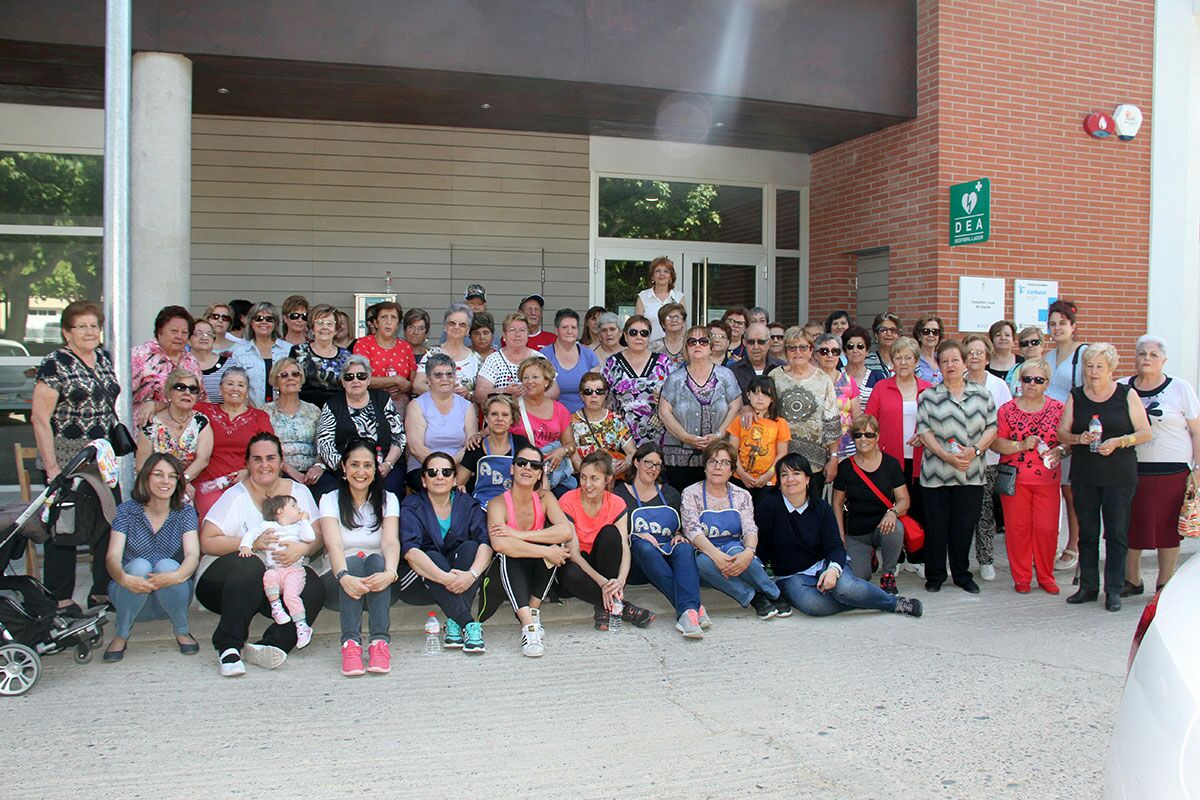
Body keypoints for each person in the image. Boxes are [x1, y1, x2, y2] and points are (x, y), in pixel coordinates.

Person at [197, 433, 324, 677]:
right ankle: (229, 647)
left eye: (270, 458)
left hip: (273, 588)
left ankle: (272, 645)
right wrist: (251, 544)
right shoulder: (236, 496)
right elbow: (207, 540)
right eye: (257, 459)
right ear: (247, 463)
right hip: (224, 587)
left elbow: (318, 535)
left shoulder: (299, 492)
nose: (264, 465)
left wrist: (304, 548)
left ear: (281, 461)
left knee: (313, 586)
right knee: (251, 565)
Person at [32, 301, 122, 610]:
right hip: (68, 460)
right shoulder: (55, 363)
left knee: (109, 523)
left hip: (101, 460)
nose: (89, 331)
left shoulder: (103, 358)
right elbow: (39, 418)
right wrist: (52, 466)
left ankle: (101, 590)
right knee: (64, 528)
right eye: (81, 326)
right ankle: (60, 598)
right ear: (66, 333)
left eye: (94, 326)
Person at [757, 454, 923, 618]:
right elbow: (761, 547)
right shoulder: (769, 507)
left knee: (846, 588)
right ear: (779, 482)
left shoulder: (822, 508)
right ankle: (868, 600)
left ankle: (895, 604)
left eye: (796, 473)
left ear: (808, 479)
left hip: (823, 563)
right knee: (814, 606)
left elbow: (835, 546)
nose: (790, 479)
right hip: (791, 575)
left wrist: (832, 570)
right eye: (784, 475)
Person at [1057, 343, 1151, 611]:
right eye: (1089, 366)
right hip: (1086, 473)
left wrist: (1120, 441)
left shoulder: (1125, 394)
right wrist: (1078, 438)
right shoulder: (1076, 395)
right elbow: (1062, 432)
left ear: (1111, 369)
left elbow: (1145, 432)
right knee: (1087, 532)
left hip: (1119, 474)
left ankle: (1113, 589)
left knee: (1117, 533)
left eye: (1099, 366)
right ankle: (1088, 586)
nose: (1093, 371)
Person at [916, 340, 997, 594]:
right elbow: (924, 430)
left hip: (971, 473)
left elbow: (992, 428)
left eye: (955, 360)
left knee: (963, 528)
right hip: (936, 474)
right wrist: (944, 455)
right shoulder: (928, 395)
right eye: (945, 361)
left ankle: (962, 575)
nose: (950, 365)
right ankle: (936, 575)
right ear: (938, 365)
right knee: (936, 527)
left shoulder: (982, 394)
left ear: (964, 363)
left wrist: (975, 451)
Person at [1121, 335, 1200, 594]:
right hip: (1130, 470)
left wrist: (1197, 469)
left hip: (1172, 471)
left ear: (1164, 360)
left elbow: (1197, 432)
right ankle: (1132, 580)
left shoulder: (1180, 388)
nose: (1147, 359)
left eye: (1153, 355)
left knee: (1168, 530)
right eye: (1142, 353)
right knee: (1131, 526)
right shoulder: (1122, 387)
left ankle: (1165, 583)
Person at [103, 454, 201, 661]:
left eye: (172, 476)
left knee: (167, 565)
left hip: (171, 598)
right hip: (131, 596)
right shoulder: (127, 511)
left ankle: (182, 630)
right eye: (158, 474)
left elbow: (192, 555)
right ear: (145, 478)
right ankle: (121, 634)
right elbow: (112, 556)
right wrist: (125, 579)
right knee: (138, 566)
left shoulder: (185, 512)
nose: (166, 481)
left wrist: (175, 577)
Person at [320, 438, 402, 675]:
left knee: (377, 560)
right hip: (339, 578)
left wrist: (390, 573)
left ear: (375, 470)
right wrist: (344, 575)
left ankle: (379, 643)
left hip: (379, 582)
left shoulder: (388, 499)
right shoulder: (330, 499)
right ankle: (351, 644)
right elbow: (333, 545)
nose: (361, 471)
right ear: (343, 467)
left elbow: (390, 542)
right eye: (354, 464)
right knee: (354, 560)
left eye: (367, 465)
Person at [485, 444, 574, 657]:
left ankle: (534, 609)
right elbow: (500, 544)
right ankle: (528, 626)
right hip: (507, 570)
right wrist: (545, 551)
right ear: (512, 469)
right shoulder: (498, 504)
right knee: (510, 553)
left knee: (557, 546)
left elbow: (565, 531)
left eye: (534, 465)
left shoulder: (545, 498)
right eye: (522, 463)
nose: (527, 468)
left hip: (534, 569)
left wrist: (520, 534)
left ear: (539, 474)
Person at [401, 451, 492, 654]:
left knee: (471, 548)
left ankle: (453, 623)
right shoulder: (412, 505)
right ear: (424, 481)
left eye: (446, 471)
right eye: (432, 472)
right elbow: (410, 552)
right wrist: (445, 579)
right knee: (431, 556)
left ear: (454, 479)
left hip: (461, 583)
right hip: (421, 582)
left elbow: (486, 544)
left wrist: (471, 575)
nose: (439, 476)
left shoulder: (468, 504)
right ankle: (468, 623)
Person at [683, 441, 787, 618]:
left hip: (732, 546)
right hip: (706, 550)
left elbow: (749, 528)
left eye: (724, 463)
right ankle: (753, 597)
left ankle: (773, 593)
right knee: (702, 564)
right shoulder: (691, 493)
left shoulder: (742, 495)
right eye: (713, 461)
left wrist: (749, 552)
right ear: (705, 467)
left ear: (732, 470)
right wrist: (717, 556)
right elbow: (692, 530)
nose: (718, 467)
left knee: (740, 553)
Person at [614, 444, 707, 638]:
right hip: (638, 563)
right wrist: (636, 535)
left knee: (684, 548)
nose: (653, 469)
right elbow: (615, 533)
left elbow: (681, 527)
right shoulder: (620, 494)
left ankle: (687, 614)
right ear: (636, 462)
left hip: (667, 559)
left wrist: (680, 534)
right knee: (643, 545)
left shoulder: (671, 494)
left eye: (658, 465)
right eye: (648, 462)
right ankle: (693, 607)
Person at [991, 358, 1065, 594]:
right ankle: (1022, 577)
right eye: (1027, 379)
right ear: (1019, 381)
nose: (1032, 384)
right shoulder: (1007, 410)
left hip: (1048, 480)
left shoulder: (1058, 409)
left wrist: (1061, 450)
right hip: (1016, 480)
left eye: (1038, 380)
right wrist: (1020, 445)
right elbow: (996, 443)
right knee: (1017, 529)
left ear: (1047, 383)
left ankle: (1046, 575)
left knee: (1046, 529)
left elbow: (1067, 441)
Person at [557, 453, 654, 630]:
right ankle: (621, 606)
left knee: (611, 534)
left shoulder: (617, 503)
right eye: (583, 477)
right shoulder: (567, 500)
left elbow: (624, 545)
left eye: (594, 478)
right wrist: (603, 583)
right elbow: (575, 555)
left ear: (608, 479)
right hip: (578, 565)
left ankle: (605, 608)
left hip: (604, 564)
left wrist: (620, 580)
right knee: (569, 571)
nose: (587, 484)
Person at [864, 336, 931, 549]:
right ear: (892, 361)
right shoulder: (882, 387)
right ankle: (896, 554)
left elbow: (939, 423)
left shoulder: (929, 389)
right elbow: (869, 421)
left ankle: (917, 556)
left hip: (922, 459)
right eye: (898, 357)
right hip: (890, 459)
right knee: (892, 507)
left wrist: (924, 435)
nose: (903, 362)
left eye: (908, 357)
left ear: (916, 361)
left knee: (920, 507)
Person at [831, 414, 910, 593]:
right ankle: (870, 558)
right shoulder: (845, 467)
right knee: (859, 577)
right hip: (856, 532)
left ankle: (888, 574)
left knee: (896, 527)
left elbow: (904, 500)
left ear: (877, 436)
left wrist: (893, 512)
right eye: (858, 435)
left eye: (869, 435)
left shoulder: (891, 464)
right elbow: (837, 503)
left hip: (882, 526)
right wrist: (840, 535)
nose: (863, 439)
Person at [659, 326, 743, 491]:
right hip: (680, 458)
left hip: (718, 456)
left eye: (703, 341)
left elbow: (736, 407)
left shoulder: (726, 375)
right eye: (692, 342)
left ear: (711, 347)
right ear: (686, 347)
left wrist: (719, 434)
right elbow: (664, 412)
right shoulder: (675, 379)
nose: (698, 345)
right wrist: (685, 436)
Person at [314, 355, 407, 497]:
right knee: (331, 491)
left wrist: (388, 464)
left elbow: (399, 436)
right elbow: (324, 444)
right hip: (345, 468)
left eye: (361, 376)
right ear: (343, 382)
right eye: (349, 377)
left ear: (368, 380)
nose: (355, 380)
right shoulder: (332, 405)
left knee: (390, 491)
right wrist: (348, 469)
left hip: (384, 466)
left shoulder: (382, 399)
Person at [192, 367, 275, 520]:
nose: (235, 388)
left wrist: (249, 471)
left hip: (247, 481)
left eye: (241, 385)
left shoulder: (259, 416)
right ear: (220, 388)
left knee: (247, 519)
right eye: (230, 384)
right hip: (209, 483)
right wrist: (152, 405)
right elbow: (175, 406)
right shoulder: (204, 410)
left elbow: (269, 450)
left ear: (247, 391)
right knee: (214, 519)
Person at [964, 334, 1013, 581]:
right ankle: (959, 559)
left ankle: (985, 559)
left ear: (987, 356)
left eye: (979, 352)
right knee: (961, 512)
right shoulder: (953, 380)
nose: (974, 357)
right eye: (970, 352)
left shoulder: (998, 385)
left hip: (989, 458)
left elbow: (1004, 422)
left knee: (984, 512)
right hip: (959, 460)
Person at [238, 494, 317, 647]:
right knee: (269, 575)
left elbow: (309, 537)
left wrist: (305, 521)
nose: (299, 509)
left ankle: (302, 626)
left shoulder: (299, 526)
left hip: (294, 570)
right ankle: (276, 607)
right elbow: (250, 534)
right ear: (280, 511)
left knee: (290, 596)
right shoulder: (267, 526)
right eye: (293, 506)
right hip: (275, 568)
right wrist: (246, 546)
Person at [770, 327, 840, 498]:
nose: (798, 352)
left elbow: (831, 420)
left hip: (814, 461)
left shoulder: (823, 379)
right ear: (786, 352)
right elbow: (765, 412)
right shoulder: (774, 377)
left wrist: (834, 458)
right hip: (781, 457)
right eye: (792, 348)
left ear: (811, 351)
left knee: (812, 511)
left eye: (803, 347)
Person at [1045, 299, 1087, 573]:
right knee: (1055, 490)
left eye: (1062, 323)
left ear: (1073, 326)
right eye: (1053, 324)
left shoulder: (1082, 354)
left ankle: (1075, 545)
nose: (1057, 328)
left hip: (1070, 432)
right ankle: (1053, 545)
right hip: (1047, 432)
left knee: (1072, 492)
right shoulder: (1047, 357)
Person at [135, 367, 213, 495]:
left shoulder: (201, 421)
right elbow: (141, 466)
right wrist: (166, 484)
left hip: (185, 484)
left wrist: (181, 481)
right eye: (180, 387)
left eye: (193, 389)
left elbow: (202, 460)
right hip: (152, 485)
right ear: (169, 392)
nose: (187, 392)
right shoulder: (152, 423)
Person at [405, 353, 477, 490]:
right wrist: (440, 468)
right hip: (424, 467)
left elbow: (470, 446)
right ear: (428, 379)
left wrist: (450, 467)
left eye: (449, 374)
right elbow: (416, 448)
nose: (445, 379)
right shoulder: (417, 405)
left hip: (459, 467)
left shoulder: (467, 406)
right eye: (438, 375)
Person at [603, 315, 675, 446]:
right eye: (633, 332)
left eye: (644, 333)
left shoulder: (663, 362)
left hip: (659, 436)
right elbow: (604, 399)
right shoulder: (612, 363)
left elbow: (676, 396)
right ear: (625, 335)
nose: (638, 337)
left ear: (649, 337)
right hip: (622, 436)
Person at [131, 305, 206, 424]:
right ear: (160, 332)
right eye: (174, 331)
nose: (179, 337)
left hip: (182, 432)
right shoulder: (140, 355)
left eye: (184, 333)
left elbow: (200, 398)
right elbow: (121, 396)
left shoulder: (191, 362)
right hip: (144, 430)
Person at [510, 356, 576, 491]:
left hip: (553, 474)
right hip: (522, 473)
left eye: (535, 377)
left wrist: (561, 451)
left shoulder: (560, 409)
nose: (529, 382)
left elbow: (570, 445)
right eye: (525, 377)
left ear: (547, 381)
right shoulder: (513, 407)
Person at [458, 395, 532, 508]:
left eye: (505, 415)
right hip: (481, 506)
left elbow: (538, 475)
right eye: (494, 414)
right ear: (486, 418)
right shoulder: (476, 446)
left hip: (514, 505)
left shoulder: (521, 443)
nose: (499, 419)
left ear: (512, 419)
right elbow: (459, 482)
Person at [727, 376, 790, 501]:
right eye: (756, 393)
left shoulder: (780, 423)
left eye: (765, 394)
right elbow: (732, 450)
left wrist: (769, 474)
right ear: (748, 395)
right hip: (740, 479)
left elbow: (782, 453)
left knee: (764, 515)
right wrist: (742, 474)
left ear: (772, 399)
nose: (760, 398)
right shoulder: (739, 420)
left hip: (769, 481)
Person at [352, 300, 416, 417]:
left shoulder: (405, 347)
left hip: (399, 406)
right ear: (376, 323)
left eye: (393, 318)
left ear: (398, 324)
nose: (388, 322)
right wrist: (395, 380)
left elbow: (412, 383)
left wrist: (404, 387)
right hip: (369, 404)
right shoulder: (363, 344)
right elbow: (359, 378)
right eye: (384, 317)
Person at [264, 358, 322, 487]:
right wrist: (292, 472)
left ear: (301, 380)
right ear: (276, 382)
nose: (290, 378)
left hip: (311, 472)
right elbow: (265, 449)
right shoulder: (265, 412)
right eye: (284, 375)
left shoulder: (314, 410)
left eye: (295, 374)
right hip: (278, 471)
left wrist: (318, 467)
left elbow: (321, 446)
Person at [570, 371, 635, 475]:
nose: (594, 395)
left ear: (605, 394)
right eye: (588, 392)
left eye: (599, 391)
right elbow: (574, 461)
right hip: (584, 478)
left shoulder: (615, 421)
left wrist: (626, 463)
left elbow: (632, 452)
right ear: (582, 396)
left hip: (613, 477)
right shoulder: (570, 423)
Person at [229, 301, 291, 406]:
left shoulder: (289, 350)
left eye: (269, 319)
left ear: (275, 323)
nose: (264, 322)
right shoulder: (240, 353)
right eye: (259, 319)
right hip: (251, 411)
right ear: (251, 323)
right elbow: (236, 385)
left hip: (283, 412)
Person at [413, 303, 482, 397]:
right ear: (445, 327)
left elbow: (482, 393)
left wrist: (469, 394)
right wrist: (443, 392)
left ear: (467, 330)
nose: (457, 327)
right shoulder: (432, 353)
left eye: (462, 324)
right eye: (452, 323)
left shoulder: (476, 359)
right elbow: (417, 385)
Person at [290, 303, 350, 408]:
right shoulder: (298, 351)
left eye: (329, 323)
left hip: (336, 410)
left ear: (336, 330)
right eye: (320, 323)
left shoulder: (346, 355)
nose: (325, 327)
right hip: (304, 410)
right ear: (312, 328)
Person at [475, 312, 545, 403]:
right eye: (512, 330)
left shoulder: (538, 358)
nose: (517, 334)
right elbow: (479, 394)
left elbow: (554, 390)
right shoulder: (493, 359)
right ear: (504, 335)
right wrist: (504, 392)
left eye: (522, 330)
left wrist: (531, 392)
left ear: (528, 334)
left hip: (533, 412)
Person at [541, 308, 600, 413]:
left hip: (584, 417)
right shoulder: (543, 356)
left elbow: (598, 390)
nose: (569, 331)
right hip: (552, 416)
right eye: (564, 327)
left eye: (573, 327)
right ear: (556, 329)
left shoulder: (589, 355)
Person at [814, 332, 861, 463]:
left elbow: (857, 418)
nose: (830, 355)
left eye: (835, 351)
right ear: (816, 354)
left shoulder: (849, 381)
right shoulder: (809, 381)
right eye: (824, 351)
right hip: (817, 449)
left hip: (847, 449)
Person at [634, 256, 685, 344]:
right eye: (658, 271)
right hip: (648, 347)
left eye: (666, 271)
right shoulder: (643, 296)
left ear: (670, 277)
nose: (662, 274)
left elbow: (683, 326)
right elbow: (637, 326)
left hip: (674, 347)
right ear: (652, 276)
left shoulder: (678, 297)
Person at [730, 321, 784, 398]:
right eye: (751, 342)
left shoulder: (782, 368)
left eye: (761, 342)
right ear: (744, 343)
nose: (756, 347)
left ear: (769, 343)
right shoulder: (733, 372)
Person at [843, 325, 887, 409]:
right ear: (845, 351)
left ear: (867, 351)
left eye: (860, 346)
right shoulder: (837, 375)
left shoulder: (878, 377)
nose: (855, 350)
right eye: (850, 347)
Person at [190, 319, 231, 401]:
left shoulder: (230, 365)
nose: (204, 337)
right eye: (198, 333)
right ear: (188, 339)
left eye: (209, 334)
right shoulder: (180, 364)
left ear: (214, 339)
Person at [1006, 326, 1046, 395]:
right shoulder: (1014, 369)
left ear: (1042, 346)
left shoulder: (1049, 369)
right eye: (1024, 343)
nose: (1030, 345)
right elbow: (1007, 394)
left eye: (1034, 342)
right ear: (1020, 348)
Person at [865, 312, 901, 377]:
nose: (889, 334)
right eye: (884, 330)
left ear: (898, 335)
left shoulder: (907, 360)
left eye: (893, 330)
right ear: (876, 335)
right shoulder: (867, 361)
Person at [912, 313, 944, 385]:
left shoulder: (942, 360)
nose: (931, 335)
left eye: (935, 332)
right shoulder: (913, 360)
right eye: (926, 331)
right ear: (919, 336)